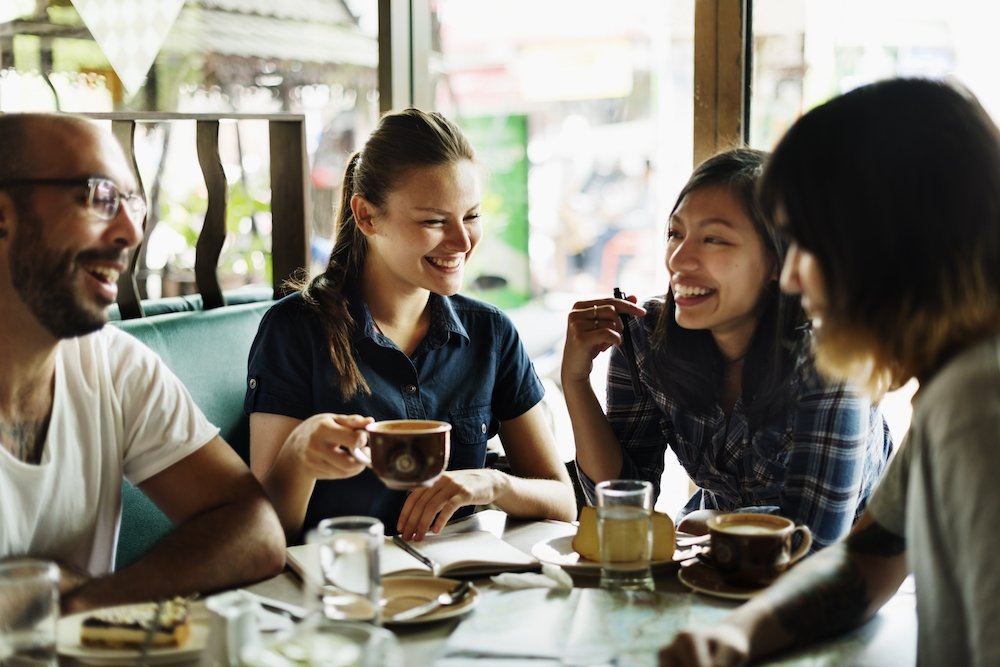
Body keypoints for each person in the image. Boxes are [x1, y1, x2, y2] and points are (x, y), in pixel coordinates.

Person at [659, 77, 1000, 666]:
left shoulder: (979, 400)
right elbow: (866, 561)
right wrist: (741, 633)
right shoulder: (954, 383)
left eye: (806, 243)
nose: (791, 277)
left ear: (886, 245)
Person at [245, 108, 576, 543]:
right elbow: (264, 534)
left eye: (471, 216)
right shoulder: (294, 330)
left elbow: (562, 502)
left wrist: (493, 484)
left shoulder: (491, 333)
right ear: (366, 216)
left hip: (460, 577)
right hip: (346, 576)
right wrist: (299, 456)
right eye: (434, 221)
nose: (462, 242)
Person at [0, 113, 285, 614]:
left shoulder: (113, 364)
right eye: (99, 197)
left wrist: (84, 602)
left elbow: (256, 530)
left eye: (134, 205)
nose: (131, 232)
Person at [561, 148, 893, 550]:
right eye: (675, 233)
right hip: (715, 559)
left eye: (714, 239)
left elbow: (814, 541)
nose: (679, 259)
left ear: (779, 262)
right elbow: (620, 506)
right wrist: (576, 381)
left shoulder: (832, 361)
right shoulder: (647, 338)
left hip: (845, 573)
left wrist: (708, 523)